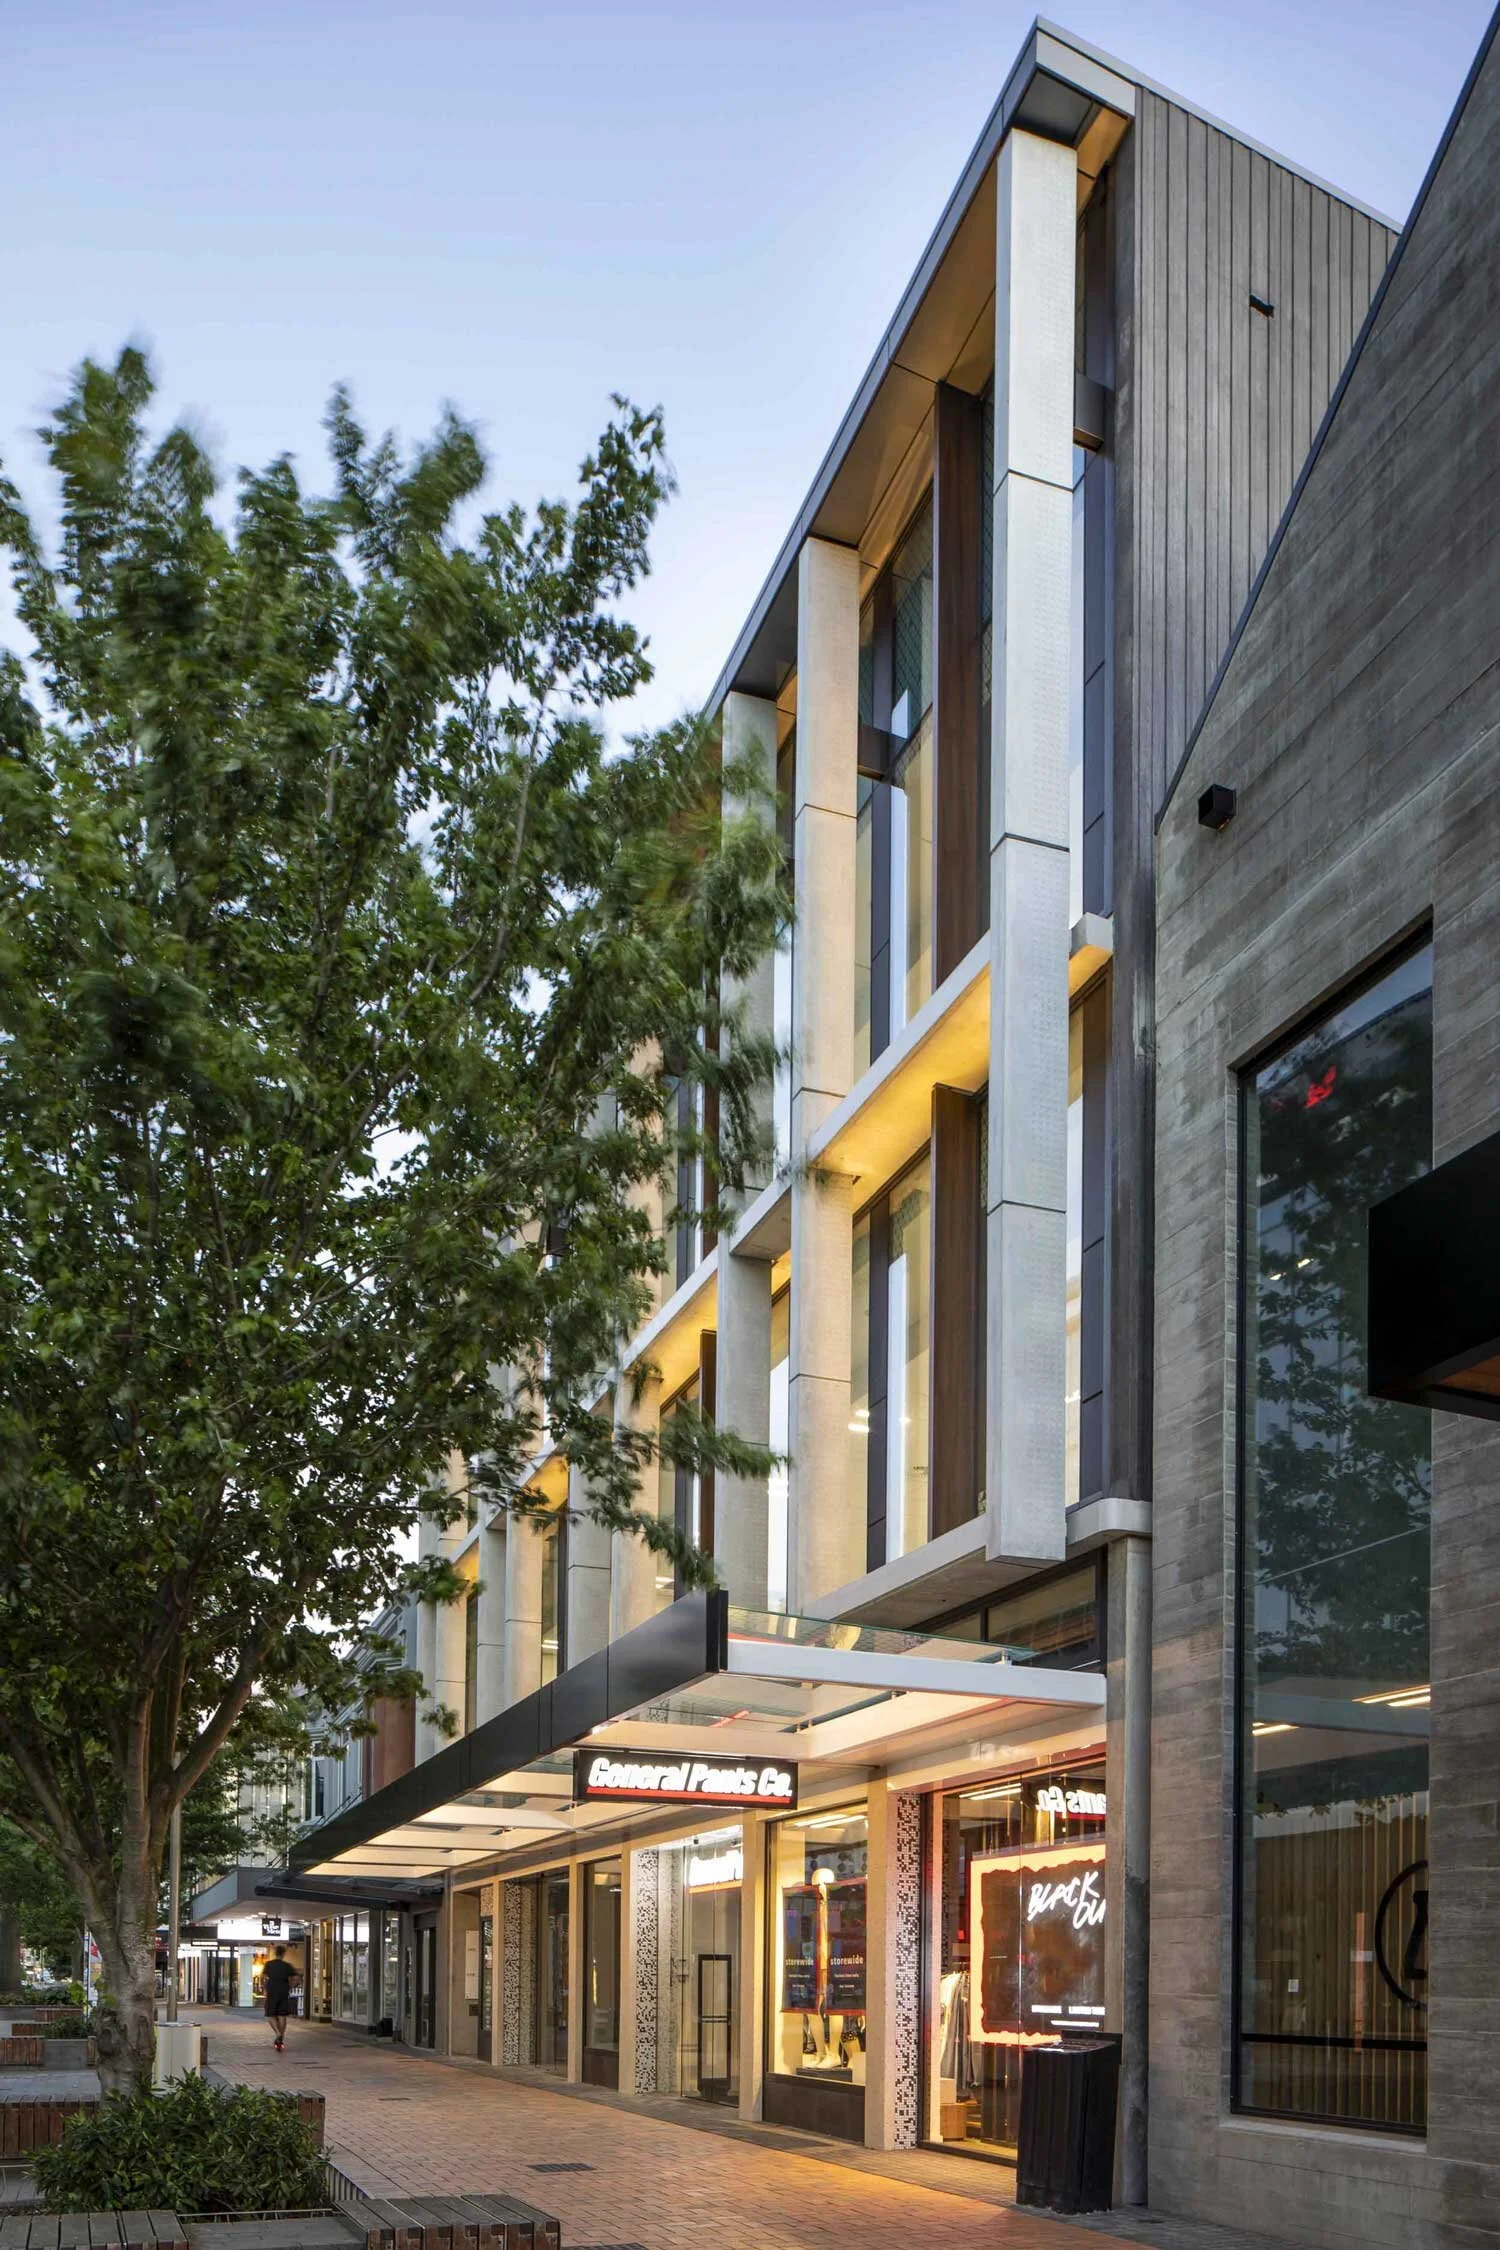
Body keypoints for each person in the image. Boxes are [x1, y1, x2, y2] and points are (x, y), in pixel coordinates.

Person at [262, 1945, 298, 2052]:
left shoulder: (269, 1964)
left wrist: (264, 1987)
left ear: (275, 1953)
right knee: (282, 2015)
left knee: (270, 2014)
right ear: (283, 1954)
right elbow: (296, 1977)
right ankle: (281, 2037)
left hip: (272, 1990)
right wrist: (291, 1985)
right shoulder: (287, 1965)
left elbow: (262, 1977)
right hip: (283, 1990)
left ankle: (278, 2033)